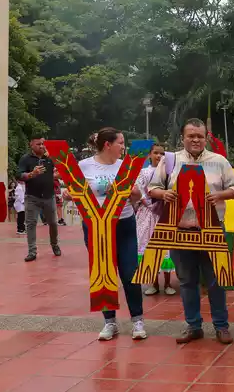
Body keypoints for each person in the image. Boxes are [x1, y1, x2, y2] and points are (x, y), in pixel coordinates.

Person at [148, 118, 234, 345]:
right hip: (179, 230)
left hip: (211, 229)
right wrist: (163, 194)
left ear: (206, 137)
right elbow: (151, 187)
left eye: (200, 136)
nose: (196, 140)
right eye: (191, 136)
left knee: (216, 280)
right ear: (183, 137)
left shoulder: (219, 161)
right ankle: (193, 325)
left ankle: (221, 326)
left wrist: (219, 195)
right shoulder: (169, 161)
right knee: (187, 281)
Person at [75, 128, 146, 341]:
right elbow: (75, 192)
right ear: (108, 144)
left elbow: (138, 195)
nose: (123, 147)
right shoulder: (84, 165)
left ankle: (137, 320)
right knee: (104, 272)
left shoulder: (127, 166)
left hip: (124, 223)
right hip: (96, 227)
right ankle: (109, 322)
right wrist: (71, 194)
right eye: (121, 143)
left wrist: (135, 193)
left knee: (130, 272)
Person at [135, 143, 176, 296]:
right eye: (156, 153)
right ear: (149, 155)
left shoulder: (170, 172)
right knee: (149, 245)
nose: (159, 156)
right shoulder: (144, 172)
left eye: (162, 153)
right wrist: (148, 204)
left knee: (166, 247)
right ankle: (153, 283)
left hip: (165, 214)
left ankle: (167, 283)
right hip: (148, 214)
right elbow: (139, 191)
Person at [17, 136, 62, 262]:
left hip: (49, 196)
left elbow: (61, 168)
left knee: (53, 223)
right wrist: (32, 174)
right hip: (32, 197)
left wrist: (55, 165)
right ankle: (32, 251)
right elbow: (19, 174)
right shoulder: (26, 159)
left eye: (43, 143)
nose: (41, 146)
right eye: (38, 144)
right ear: (31, 145)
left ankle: (55, 244)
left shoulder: (49, 157)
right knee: (31, 224)